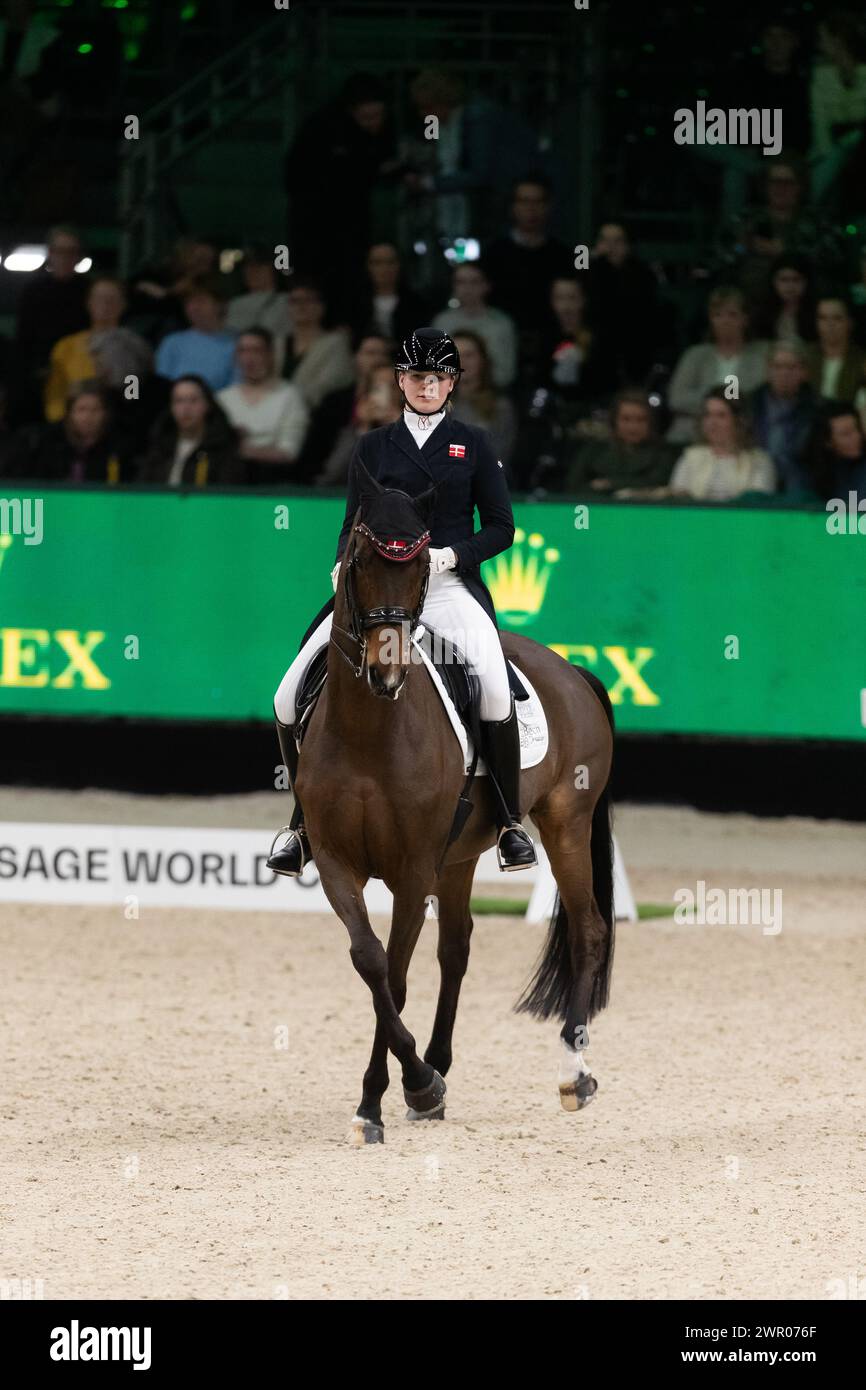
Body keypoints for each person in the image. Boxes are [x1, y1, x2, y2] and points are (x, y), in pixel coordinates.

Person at [267, 327, 537, 877]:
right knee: (288, 694)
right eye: (417, 376)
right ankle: (302, 824)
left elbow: (502, 528)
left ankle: (509, 822)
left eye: (437, 377)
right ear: (400, 381)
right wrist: (342, 562)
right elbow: (352, 521)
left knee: (491, 686)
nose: (427, 386)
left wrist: (452, 556)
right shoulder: (372, 446)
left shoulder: (475, 443)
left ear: (452, 383)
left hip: (445, 587)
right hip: (377, 592)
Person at [482, 175, 574, 368]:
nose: (531, 209)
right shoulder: (494, 253)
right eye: (524, 202)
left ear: (548, 207)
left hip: (552, 344)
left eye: (538, 202)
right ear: (513, 207)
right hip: (504, 342)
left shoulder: (563, 254)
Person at [666, 287, 769, 443]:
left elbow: (757, 399)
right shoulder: (695, 355)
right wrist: (721, 405)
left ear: (745, 319)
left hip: (744, 435)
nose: (725, 321)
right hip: (691, 433)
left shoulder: (762, 354)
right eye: (718, 315)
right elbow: (677, 399)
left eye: (732, 315)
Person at [43, 275, 152, 421]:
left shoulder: (133, 346)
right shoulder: (66, 346)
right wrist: (63, 422)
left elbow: (132, 395)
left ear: (123, 305)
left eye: (112, 299)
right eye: (99, 298)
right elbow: (55, 396)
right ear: (88, 303)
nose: (105, 304)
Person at [217, 329, 309, 485]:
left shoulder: (290, 396)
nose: (249, 358)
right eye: (243, 351)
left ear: (270, 355)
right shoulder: (222, 398)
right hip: (227, 482)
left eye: (256, 350)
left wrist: (239, 449)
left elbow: (289, 452)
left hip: (274, 482)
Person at [585, 221, 662, 390]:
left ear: (628, 246)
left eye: (617, 241)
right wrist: (595, 261)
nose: (610, 247)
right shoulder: (588, 271)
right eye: (605, 241)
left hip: (633, 350)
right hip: (595, 350)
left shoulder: (643, 275)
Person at [10, 379, 133, 483]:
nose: (88, 417)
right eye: (81, 409)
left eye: (95, 410)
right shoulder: (48, 443)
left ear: (106, 414)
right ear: (69, 413)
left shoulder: (118, 447)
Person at [668, 387, 776, 500]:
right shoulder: (690, 458)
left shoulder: (759, 461)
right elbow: (675, 500)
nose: (712, 423)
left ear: (739, 421)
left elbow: (758, 503)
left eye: (721, 416)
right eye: (708, 415)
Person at [136, 375, 243, 487]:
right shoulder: (159, 446)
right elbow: (142, 488)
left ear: (208, 405)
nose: (186, 408)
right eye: (179, 401)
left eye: (193, 400)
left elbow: (227, 492)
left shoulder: (224, 447)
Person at [565, 391, 674, 497]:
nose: (633, 427)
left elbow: (656, 483)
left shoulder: (662, 454)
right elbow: (574, 485)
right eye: (626, 419)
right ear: (614, 421)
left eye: (641, 420)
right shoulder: (593, 451)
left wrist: (609, 483)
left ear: (651, 423)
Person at [14, 223, 88, 377]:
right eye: (60, 251)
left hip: (82, 370)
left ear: (78, 256)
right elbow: (24, 338)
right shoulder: (33, 291)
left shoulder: (89, 291)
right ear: (50, 254)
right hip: (41, 372)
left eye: (71, 252)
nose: (65, 258)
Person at [315, 362, 403, 488]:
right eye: (379, 388)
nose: (387, 395)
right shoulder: (354, 430)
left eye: (393, 387)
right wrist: (362, 429)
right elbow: (333, 475)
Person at [748, 342, 819, 494]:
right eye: (777, 367)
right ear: (768, 370)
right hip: (754, 475)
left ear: (804, 372)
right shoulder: (749, 403)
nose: (784, 373)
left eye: (791, 367)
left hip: (801, 481)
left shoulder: (818, 408)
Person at [433, 260, 517, 387]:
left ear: (486, 285)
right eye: (461, 282)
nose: (467, 288)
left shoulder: (501, 324)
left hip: (492, 392)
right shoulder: (442, 322)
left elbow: (505, 372)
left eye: (474, 282)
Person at [279, 275, 355, 410]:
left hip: (316, 413)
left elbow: (330, 383)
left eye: (308, 300)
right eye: (295, 301)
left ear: (321, 306)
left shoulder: (336, 343)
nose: (301, 306)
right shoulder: (277, 343)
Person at [449, 330, 517, 474]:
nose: (462, 361)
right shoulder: (433, 406)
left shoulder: (500, 406)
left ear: (482, 360)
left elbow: (499, 458)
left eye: (469, 355)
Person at [155, 279, 238, 392]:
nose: (193, 307)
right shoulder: (172, 342)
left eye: (200, 301)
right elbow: (162, 386)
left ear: (219, 304)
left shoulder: (238, 342)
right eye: (188, 303)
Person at [348, 243, 429, 345]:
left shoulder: (416, 305)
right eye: (377, 263)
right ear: (368, 267)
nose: (384, 268)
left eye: (390, 262)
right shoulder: (355, 304)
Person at [224, 246, 292, 348]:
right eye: (248, 266)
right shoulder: (234, 304)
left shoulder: (288, 301)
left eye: (259, 266)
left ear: (273, 270)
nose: (253, 271)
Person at [804, 295, 866, 401]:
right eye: (823, 318)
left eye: (837, 318)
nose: (830, 324)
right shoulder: (805, 356)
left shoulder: (861, 361)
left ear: (850, 322)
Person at [752, 254, 816, 345]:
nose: (790, 286)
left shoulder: (817, 313)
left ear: (806, 282)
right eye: (784, 280)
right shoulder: (762, 314)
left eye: (796, 280)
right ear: (773, 282)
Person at [811, 402, 866, 502]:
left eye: (857, 429)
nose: (857, 437)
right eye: (846, 434)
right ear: (828, 442)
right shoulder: (817, 474)